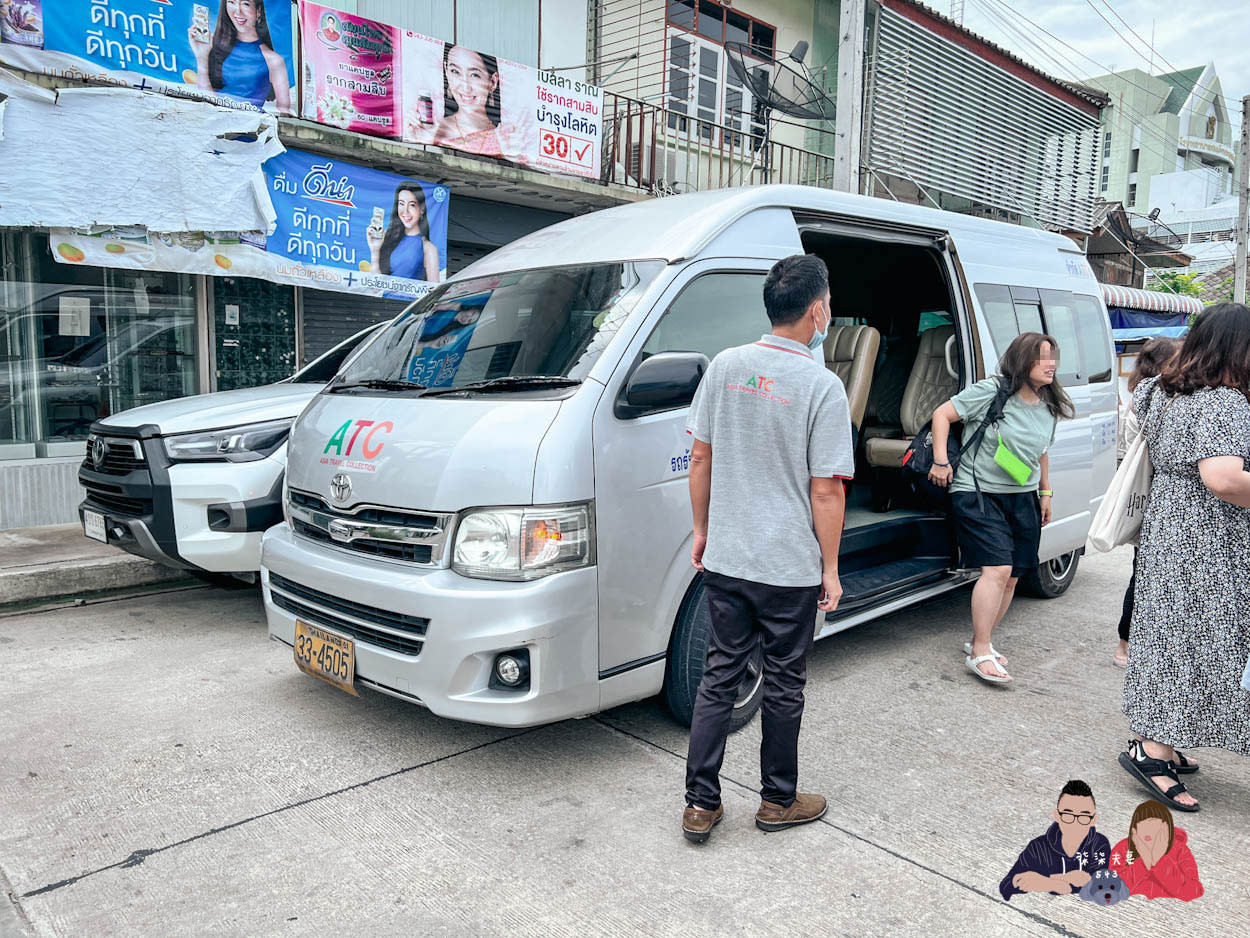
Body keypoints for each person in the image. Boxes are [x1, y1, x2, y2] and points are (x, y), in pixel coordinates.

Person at [681, 254, 853, 844]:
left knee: (719, 676)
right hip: (787, 568)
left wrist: (702, 530)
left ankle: (700, 804)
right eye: (827, 302)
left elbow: (699, 457)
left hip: (728, 558)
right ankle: (778, 800)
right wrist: (830, 568)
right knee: (784, 682)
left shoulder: (725, 367)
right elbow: (826, 490)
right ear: (816, 310)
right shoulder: (822, 386)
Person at [1118, 302, 1250, 813]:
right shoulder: (1225, 404)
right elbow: (1222, 478)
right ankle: (1151, 750)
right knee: (1194, 640)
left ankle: (1161, 740)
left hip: (1168, 527)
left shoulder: (1160, 391)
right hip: (1208, 539)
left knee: (1167, 635)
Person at [928, 333, 1074, 684]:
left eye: (1053, 357)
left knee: (1012, 576)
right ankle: (979, 651)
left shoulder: (1048, 404)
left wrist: (1046, 493)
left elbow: (1041, 453)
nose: (1051, 364)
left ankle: (983, 640)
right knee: (997, 568)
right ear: (1023, 360)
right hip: (978, 491)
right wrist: (941, 461)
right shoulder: (992, 391)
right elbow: (942, 415)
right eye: (1042, 357)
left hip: (1021, 495)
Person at [1114, 337, 1182, 668]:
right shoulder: (1153, 398)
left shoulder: (1147, 395)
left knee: (1142, 572)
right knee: (1143, 574)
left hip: (1152, 495)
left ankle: (1128, 644)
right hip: (1152, 496)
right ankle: (1126, 644)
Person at [408, 45, 530, 162]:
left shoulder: (506, 139)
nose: (465, 87)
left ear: (493, 81)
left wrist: (511, 156)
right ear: (446, 71)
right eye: (455, 71)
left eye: (475, 75)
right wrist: (418, 141)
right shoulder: (432, 129)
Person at [999, 780, 1110, 900]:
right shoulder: (1038, 847)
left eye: (1084, 817)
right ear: (1057, 815)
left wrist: (1048, 881)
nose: (1075, 824)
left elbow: (1102, 885)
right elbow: (1006, 886)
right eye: (1068, 815)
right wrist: (1057, 882)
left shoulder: (1099, 844)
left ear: (1093, 820)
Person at [189, 0, 291, 113]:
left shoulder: (273, 60)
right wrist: (201, 57)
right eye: (231, 2)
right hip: (214, 122)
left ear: (258, 11)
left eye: (245, 4)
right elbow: (206, 100)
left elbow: (283, 112)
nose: (237, 11)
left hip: (250, 127)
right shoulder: (213, 45)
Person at [1109, 800, 1203, 900]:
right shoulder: (1123, 849)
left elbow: (1193, 891)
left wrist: (1161, 862)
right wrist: (1143, 862)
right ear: (1134, 832)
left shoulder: (1179, 850)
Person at [368, 183, 441, 282]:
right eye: (401, 204)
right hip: (383, 297)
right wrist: (375, 250)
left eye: (412, 205)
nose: (405, 211)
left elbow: (434, 290)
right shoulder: (389, 240)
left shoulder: (428, 248)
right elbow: (375, 287)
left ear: (421, 209)